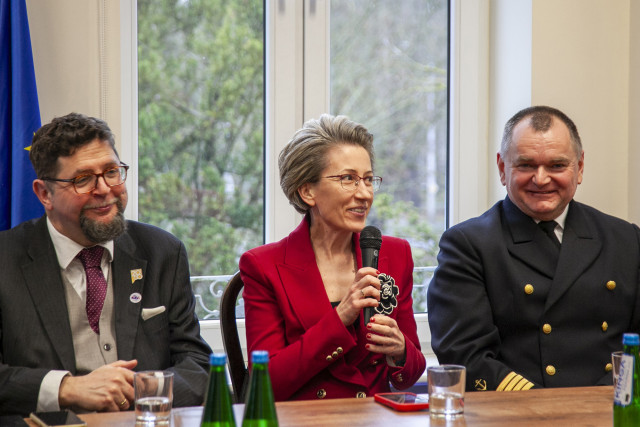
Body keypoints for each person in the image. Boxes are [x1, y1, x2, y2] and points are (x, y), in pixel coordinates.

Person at [0, 113, 212, 416]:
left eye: (112, 171)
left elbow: (198, 367)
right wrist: (66, 389)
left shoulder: (163, 252)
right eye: (83, 179)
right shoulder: (5, 261)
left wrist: (143, 389)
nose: (104, 189)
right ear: (44, 193)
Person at [428, 105, 640, 392]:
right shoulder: (468, 245)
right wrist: (546, 408)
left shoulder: (625, 239)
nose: (541, 179)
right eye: (526, 165)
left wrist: (607, 397)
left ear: (579, 168)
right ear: (503, 168)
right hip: (517, 413)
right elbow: (466, 355)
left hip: (609, 408)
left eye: (556, 165)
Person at [240, 114, 426, 401]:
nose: (364, 194)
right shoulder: (263, 266)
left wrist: (400, 348)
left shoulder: (395, 254)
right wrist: (341, 317)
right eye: (348, 179)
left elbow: (408, 376)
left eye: (367, 179)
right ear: (307, 190)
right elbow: (267, 384)